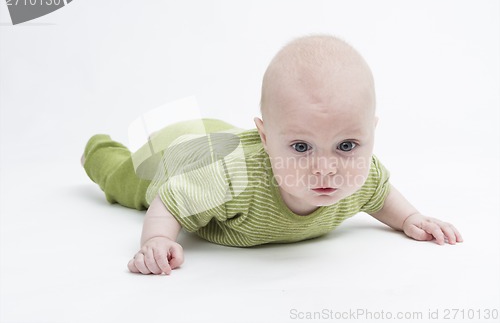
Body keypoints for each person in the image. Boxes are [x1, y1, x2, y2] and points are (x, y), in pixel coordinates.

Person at [81, 35, 463, 275]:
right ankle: (99, 150)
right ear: (266, 138)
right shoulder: (231, 179)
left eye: (347, 146)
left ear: (371, 133)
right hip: (182, 154)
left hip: (223, 134)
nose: (326, 170)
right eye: (301, 147)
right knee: (127, 183)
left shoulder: (361, 175)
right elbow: (170, 201)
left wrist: (411, 218)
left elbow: (381, 196)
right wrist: (156, 240)